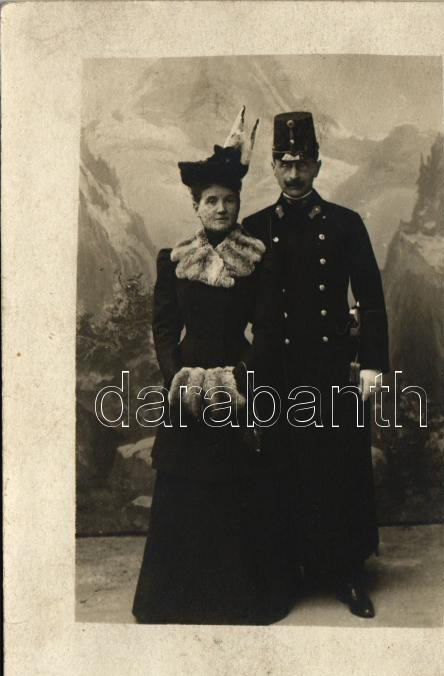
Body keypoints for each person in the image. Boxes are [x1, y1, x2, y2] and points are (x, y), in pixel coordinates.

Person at [132, 108, 300, 625]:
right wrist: (178, 377)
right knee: (185, 486)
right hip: (187, 384)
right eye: (211, 201)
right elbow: (164, 329)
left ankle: (241, 597)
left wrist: (238, 379)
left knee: (239, 486)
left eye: (229, 200)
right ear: (196, 206)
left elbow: (267, 331)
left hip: (239, 381)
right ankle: (177, 598)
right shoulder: (174, 259)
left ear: (238, 203)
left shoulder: (258, 260)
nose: (221, 208)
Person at [243, 111, 389, 618]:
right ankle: (289, 573)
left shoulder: (345, 224)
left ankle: (347, 573)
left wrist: (372, 364)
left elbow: (370, 298)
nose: (293, 173)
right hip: (277, 372)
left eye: (302, 163)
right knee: (283, 471)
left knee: (338, 472)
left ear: (318, 166)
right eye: (284, 163)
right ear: (273, 166)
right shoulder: (254, 228)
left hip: (331, 369)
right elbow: (232, 305)